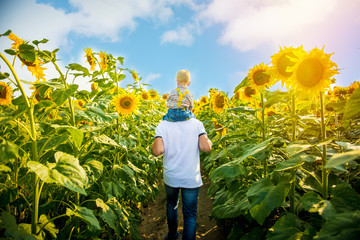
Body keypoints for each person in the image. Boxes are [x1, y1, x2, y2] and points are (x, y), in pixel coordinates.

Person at [151, 118, 212, 240]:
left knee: (172, 205)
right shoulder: (197, 124)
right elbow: (206, 148)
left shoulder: (163, 125)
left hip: (171, 176)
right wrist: (209, 141)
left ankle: (172, 235)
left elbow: (157, 151)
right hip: (190, 177)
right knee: (190, 214)